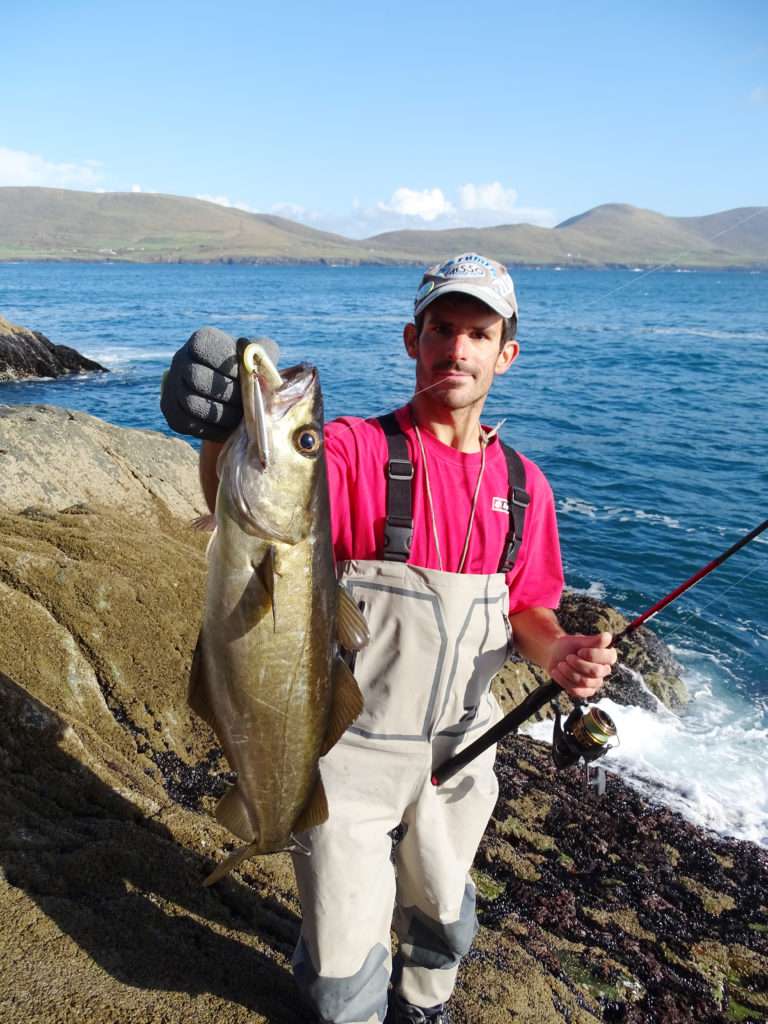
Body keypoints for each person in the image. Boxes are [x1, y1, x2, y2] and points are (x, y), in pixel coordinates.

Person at [161, 253, 617, 1024]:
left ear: (506, 353)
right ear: (414, 340)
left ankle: (426, 1004)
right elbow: (250, 510)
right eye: (443, 327)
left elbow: (529, 608)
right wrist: (221, 430)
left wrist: (558, 652)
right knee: (342, 982)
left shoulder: (524, 486)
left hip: (464, 750)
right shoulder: (350, 450)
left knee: (444, 916)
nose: (458, 347)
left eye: (479, 332)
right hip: (353, 746)